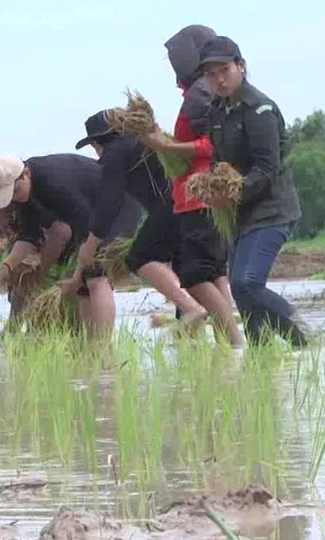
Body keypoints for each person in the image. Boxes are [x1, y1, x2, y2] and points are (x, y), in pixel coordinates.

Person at [184, 36, 309, 347]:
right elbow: (217, 160)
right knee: (241, 289)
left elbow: (268, 168)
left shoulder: (260, 109)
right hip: (239, 213)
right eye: (211, 74)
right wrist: (212, 186)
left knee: (246, 282)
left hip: (272, 210)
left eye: (224, 70)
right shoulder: (217, 111)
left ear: (241, 66)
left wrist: (233, 193)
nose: (219, 79)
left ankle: (300, 331)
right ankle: (261, 354)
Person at [137, 25, 243, 345]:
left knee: (196, 276)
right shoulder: (208, 91)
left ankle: (234, 342)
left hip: (199, 198)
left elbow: (215, 144)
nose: (174, 76)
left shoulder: (201, 93)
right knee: (212, 272)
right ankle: (233, 350)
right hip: (207, 199)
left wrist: (165, 146)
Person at [67, 110, 210, 331]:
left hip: (170, 208)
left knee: (138, 257)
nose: (97, 153)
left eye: (94, 146)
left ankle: (190, 307)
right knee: (187, 272)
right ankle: (219, 344)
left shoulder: (115, 153)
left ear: (98, 141)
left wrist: (90, 245)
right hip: (193, 206)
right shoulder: (141, 142)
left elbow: (109, 204)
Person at [0, 153, 119, 339]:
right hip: (86, 223)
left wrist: (76, 275)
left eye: (16, 190)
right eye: (9, 194)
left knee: (94, 276)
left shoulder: (54, 184)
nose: (15, 197)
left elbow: (81, 229)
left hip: (114, 208)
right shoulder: (26, 196)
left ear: (26, 173)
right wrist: (7, 265)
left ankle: (101, 352)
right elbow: (30, 234)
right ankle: (83, 347)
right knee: (79, 285)